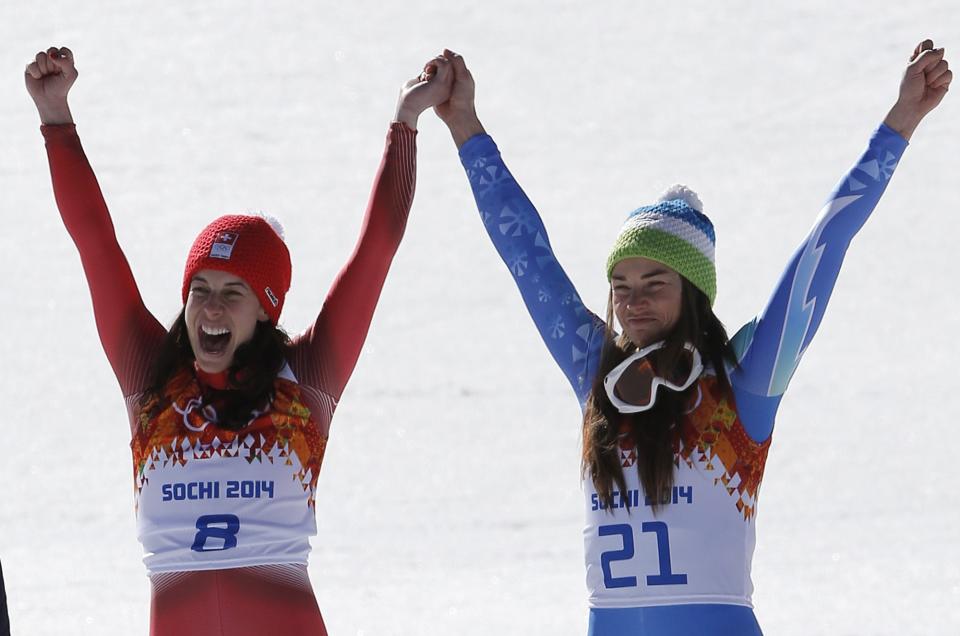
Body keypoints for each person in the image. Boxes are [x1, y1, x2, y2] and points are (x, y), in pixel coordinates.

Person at [433, 41, 951, 635]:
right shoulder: (596, 376)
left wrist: (900, 123)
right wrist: (466, 127)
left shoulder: (742, 386)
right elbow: (528, 255)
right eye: (621, 284)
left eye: (656, 281)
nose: (633, 299)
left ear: (694, 292)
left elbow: (822, 249)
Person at [26, 46, 452, 635]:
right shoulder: (150, 378)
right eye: (199, 288)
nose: (211, 307)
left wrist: (404, 123)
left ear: (266, 310)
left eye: (234, 291)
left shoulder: (306, 380)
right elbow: (97, 246)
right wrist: (55, 119)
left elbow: (375, 250)